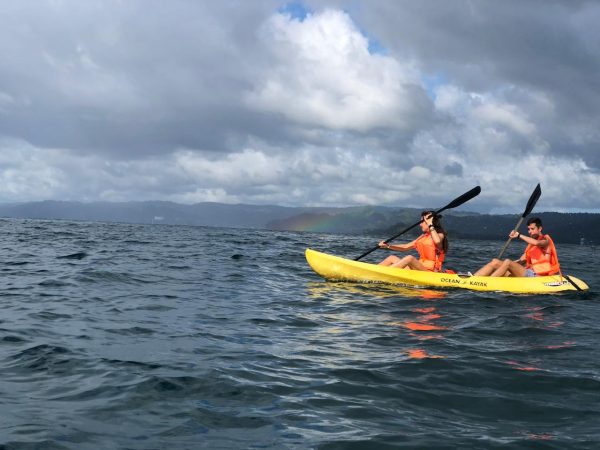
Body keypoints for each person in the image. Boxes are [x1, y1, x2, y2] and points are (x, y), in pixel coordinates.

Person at [474, 217, 560, 277]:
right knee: (495, 262)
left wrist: (518, 235)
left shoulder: (546, 241)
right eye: (528, 229)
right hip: (526, 271)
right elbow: (521, 261)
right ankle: (474, 279)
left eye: (532, 229)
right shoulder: (531, 246)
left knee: (508, 262)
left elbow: (537, 243)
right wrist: (502, 265)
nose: (530, 231)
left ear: (540, 228)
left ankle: (488, 283)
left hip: (536, 276)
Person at [378, 211, 448, 271]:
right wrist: (387, 246)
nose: (420, 225)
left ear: (430, 223)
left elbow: (437, 241)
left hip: (430, 271)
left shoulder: (440, 235)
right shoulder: (423, 237)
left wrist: (430, 224)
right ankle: (374, 270)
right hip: (419, 268)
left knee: (410, 258)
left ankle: (385, 273)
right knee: (392, 258)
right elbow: (405, 247)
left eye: (422, 222)